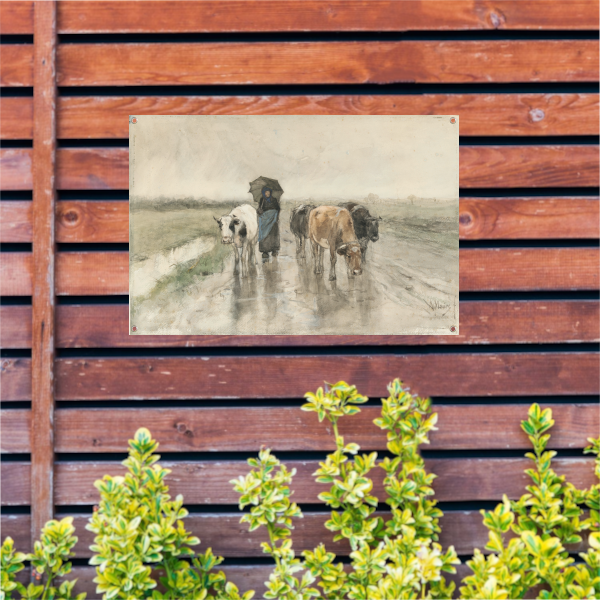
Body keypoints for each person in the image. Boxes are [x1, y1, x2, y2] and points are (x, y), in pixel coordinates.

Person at [257, 185, 280, 262]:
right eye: (266, 192)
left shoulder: (274, 200)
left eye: (269, 192)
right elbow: (259, 209)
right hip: (264, 222)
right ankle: (265, 252)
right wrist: (259, 211)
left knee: (273, 236)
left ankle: (274, 250)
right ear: (263, 193)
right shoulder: (262, 200)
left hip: (273, 222)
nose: (267, 194)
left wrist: (274, 215)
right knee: (265, 236)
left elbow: (278, 209)